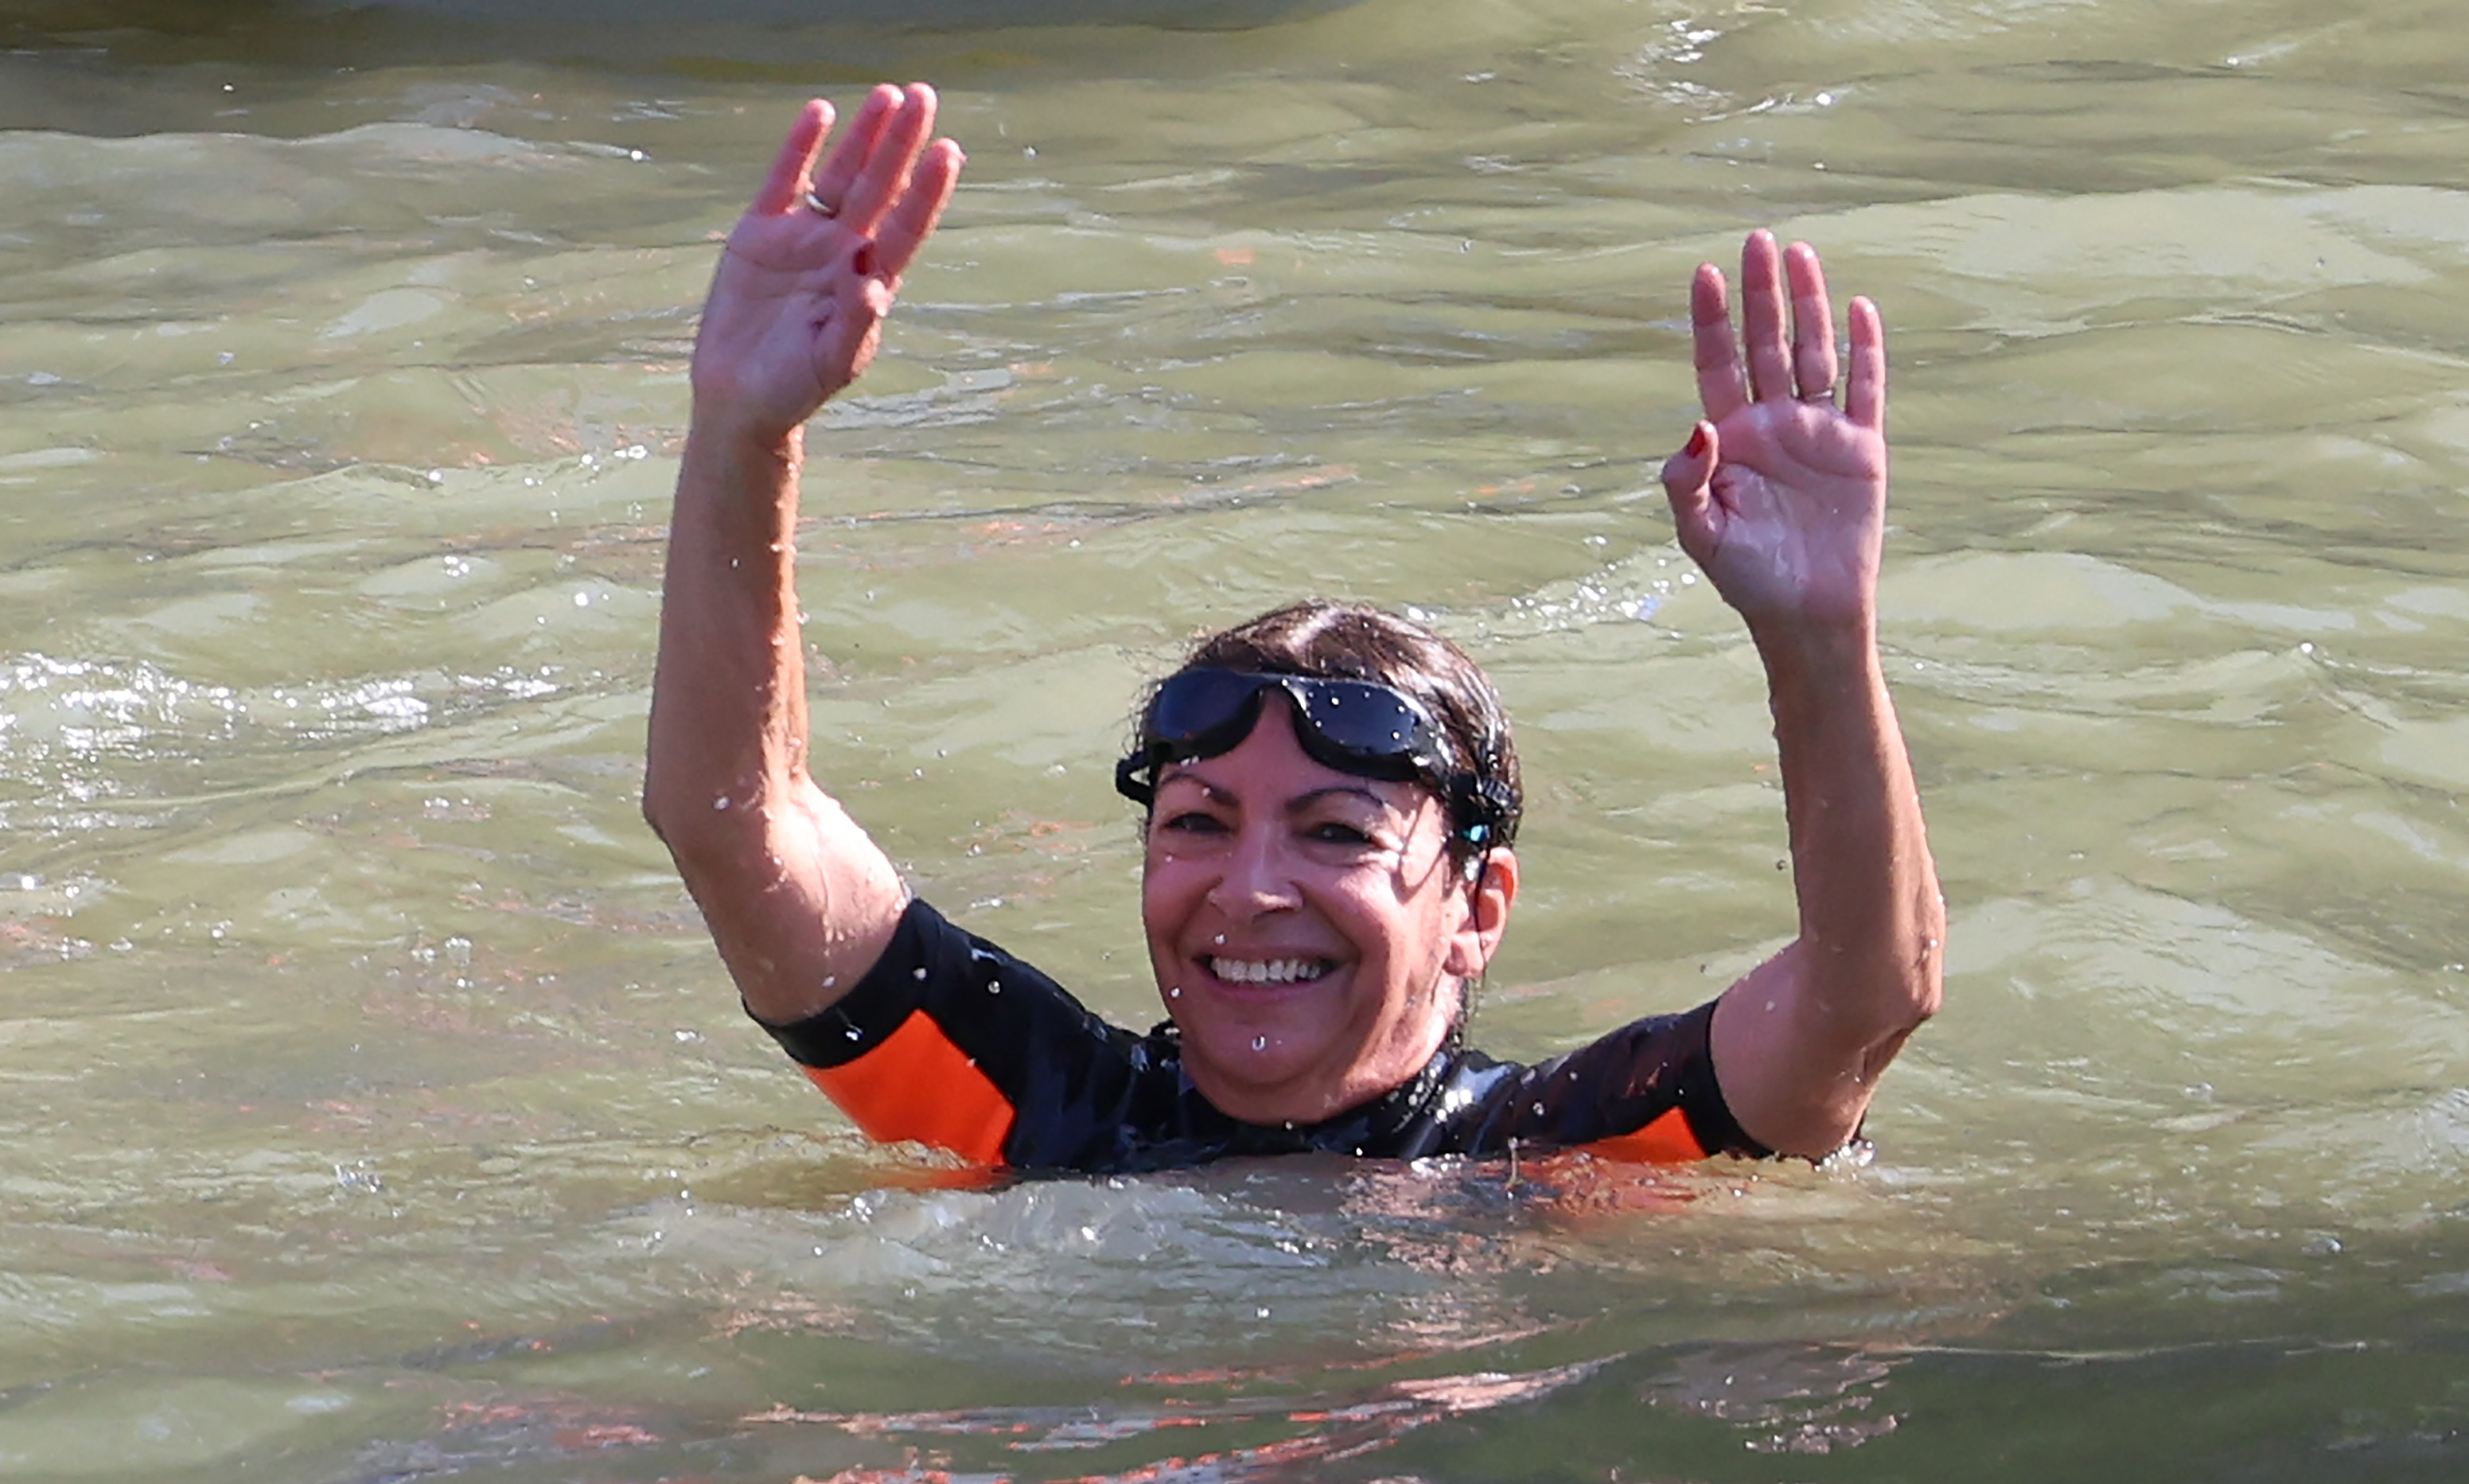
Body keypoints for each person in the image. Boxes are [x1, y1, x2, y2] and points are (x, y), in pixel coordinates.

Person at [643, 82, 1944, 1174]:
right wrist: (745, 435)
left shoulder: (1564, 1157)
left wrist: (1820, 637)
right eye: (1198, 823)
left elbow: (1864, 996)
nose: (1250, 892)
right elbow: (730, 816)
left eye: (1334, 834)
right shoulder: (1042, 1113)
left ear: (1479, 906)